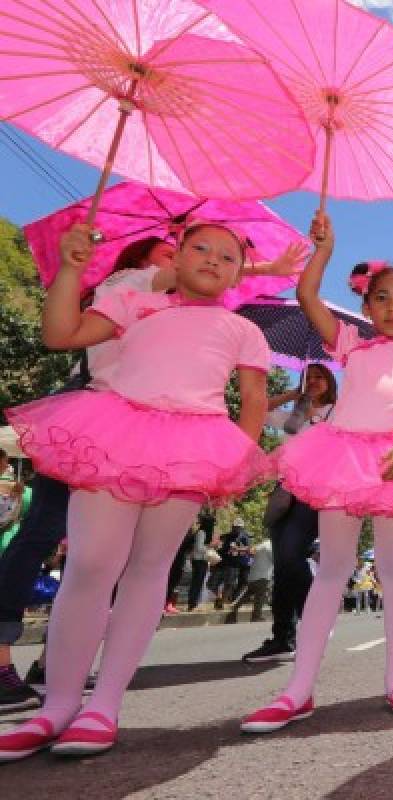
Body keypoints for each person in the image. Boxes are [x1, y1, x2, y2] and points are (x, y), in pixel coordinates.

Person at [0, 220, 271, 761]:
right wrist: (71, 269)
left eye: (229, 257)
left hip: (193, 446)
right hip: (117, 434)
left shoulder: (244, 330)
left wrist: (230, 464)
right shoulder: (136, 302)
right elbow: (61, 336)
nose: (214, 260)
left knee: (149, 568)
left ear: (240, 274)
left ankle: (104, 705)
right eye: (201, 248)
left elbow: (255, 402)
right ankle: (56, 706)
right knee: (91, 562)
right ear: (175, 254)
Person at [241, 214, 393, 734]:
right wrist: (324, 251)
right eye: (382, 297)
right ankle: (298, 688)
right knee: (333, 568)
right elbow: (309, 296)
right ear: (364, 305)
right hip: (340, 457)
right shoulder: (351, 345)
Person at [242, 363, 338, 663]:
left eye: (320, 377)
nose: (314, 382)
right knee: (282, 564)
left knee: (292, 553)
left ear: (331, 382)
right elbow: (259, 410)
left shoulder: (337, 412)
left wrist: (316, 421)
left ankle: (317, 619)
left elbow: (345, 444)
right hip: (285, 491)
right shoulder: (294, 414)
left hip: (317, 490)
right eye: (309, 378)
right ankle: (282, 637)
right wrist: (292, 395)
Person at [229, 539, 274, 622]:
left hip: (253, 575)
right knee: (260, 598)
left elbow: (249, 550)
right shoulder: (270, 547)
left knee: (247, 594)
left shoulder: (262, 545)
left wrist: (238, 549)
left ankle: (233, 610)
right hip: (263, 576)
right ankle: (256, 617)